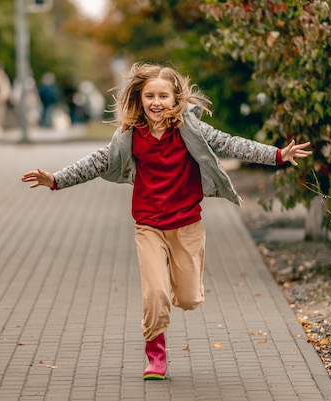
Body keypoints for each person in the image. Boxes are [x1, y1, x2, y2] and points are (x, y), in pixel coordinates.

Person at [21, 62, 312, 380]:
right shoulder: (130, 135)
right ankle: (155, 355)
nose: (156, 102)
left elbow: (232, 144)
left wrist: (277, 155)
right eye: (150, 96)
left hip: (187, 224)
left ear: (176, 100)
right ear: (140, 98)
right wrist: (56, 179)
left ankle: (178, 287)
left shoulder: (191, 131)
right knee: (156, 295)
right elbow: (97, 161)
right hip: (148, 226)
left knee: (187, 299)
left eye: (163, 96)